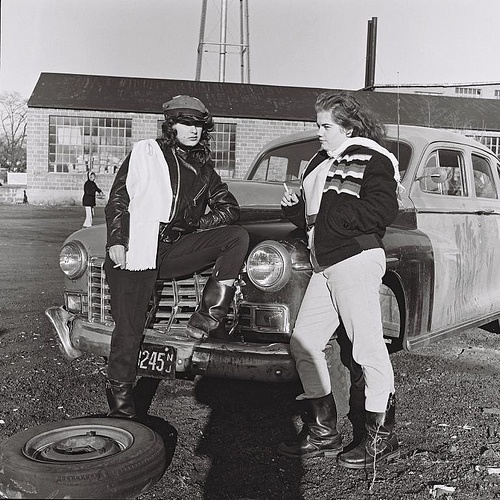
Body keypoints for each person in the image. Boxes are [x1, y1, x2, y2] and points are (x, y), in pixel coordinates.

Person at [103, 95, 249, 419]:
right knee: (129, 329)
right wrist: (117, 240)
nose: (193, 130)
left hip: (171, 249)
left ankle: (206, 318)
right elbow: (118, 199)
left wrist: (196, 223)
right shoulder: (147, 153)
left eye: (199, 125)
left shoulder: (204, 170)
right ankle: (122, 409)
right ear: (171, 125)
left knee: (237, 237)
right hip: (137, 246)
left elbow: (230, 209)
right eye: (186, 123)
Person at [278, 91, 401, 469]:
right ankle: (323, 432)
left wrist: (335, 222)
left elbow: (383, 209)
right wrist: (297, 210)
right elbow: (316, 218)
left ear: (348, 127)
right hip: (327, 263)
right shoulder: (322, 160)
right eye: (318, 125)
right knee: (304, 342)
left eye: (326, 126)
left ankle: (381, 437)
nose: (319, 132)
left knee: (367, 349)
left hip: (355, 259)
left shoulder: (372, 157)